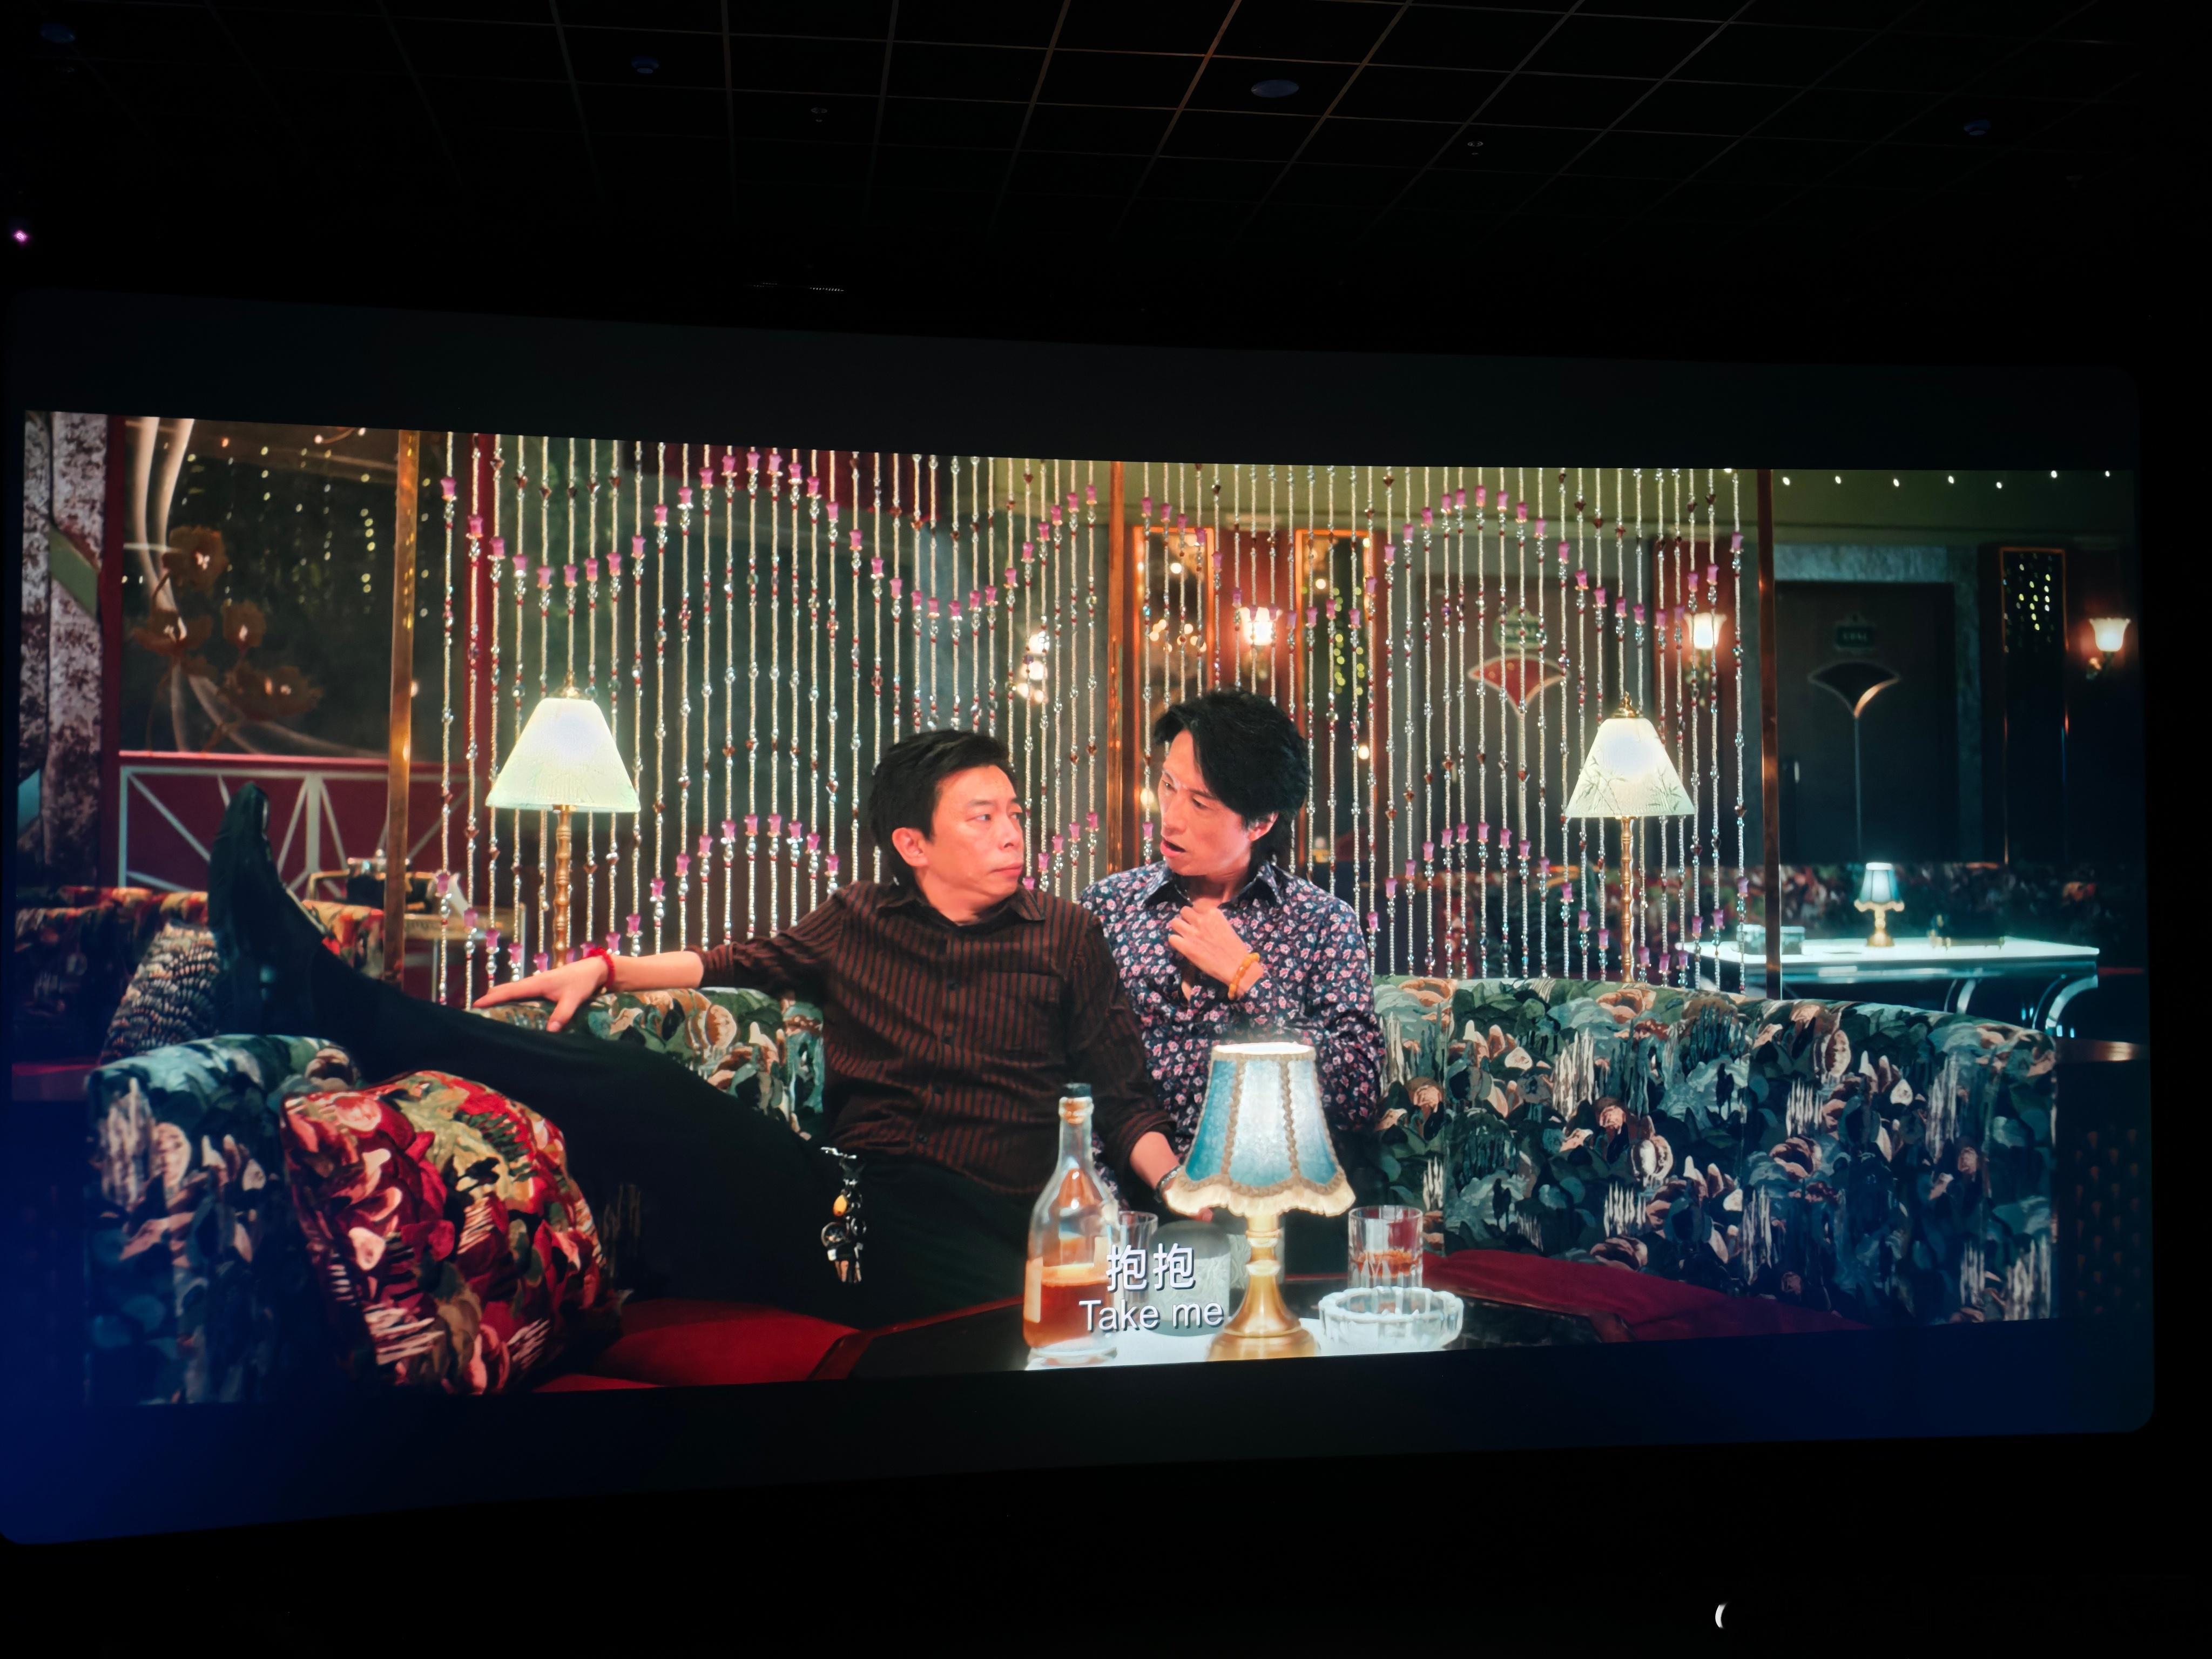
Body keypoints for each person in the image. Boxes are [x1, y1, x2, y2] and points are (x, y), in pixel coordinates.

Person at [208, 728, 1181, 1330]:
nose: (1012, 833)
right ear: (913, 844)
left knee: (991, 1293)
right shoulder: (858, 920)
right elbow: (733, 962)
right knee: (659, 1099)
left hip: (990, 1233)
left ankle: (326, 998)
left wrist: (1180, 1190)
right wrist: (604, 967)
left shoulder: (1066, 934)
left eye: (1014, 812)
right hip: (850, 1206)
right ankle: (336, 1001)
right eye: (983, 816)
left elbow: (1124, 1095)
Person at [1079, 690, 1385, 1253]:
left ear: (1261, 821)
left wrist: (1249, 978)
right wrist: (1108, 1222)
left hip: (1280, 1214)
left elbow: (1357, 1095)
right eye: (1168, 786)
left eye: (1201, 803)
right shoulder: (1109, 909)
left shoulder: (1321, 922)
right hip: (1131, 1209)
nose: (1171, 817)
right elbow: (1077, 1079)